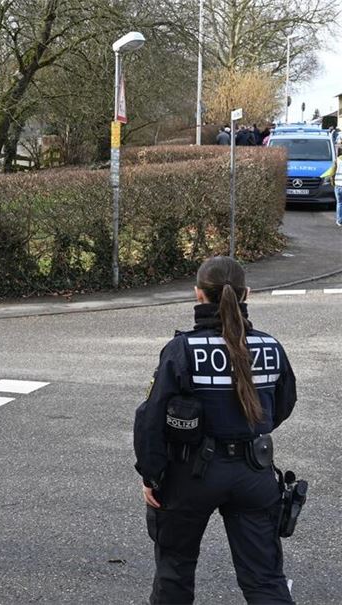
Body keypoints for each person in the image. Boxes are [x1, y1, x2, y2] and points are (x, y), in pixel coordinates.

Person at [133, 256, 297, 604]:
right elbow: (282, 405)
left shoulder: (181, 350)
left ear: (198, 295)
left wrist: (151, 476)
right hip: (255, 472)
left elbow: (151, 419)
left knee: (174, 573)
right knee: (265, 580)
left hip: (191, 474)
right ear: (246, 294)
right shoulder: (271, 347)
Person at [334, 140, 342, 227]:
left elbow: (331, 171)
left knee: (339, 203)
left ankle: (339, 221)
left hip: (338, 185)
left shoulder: (337, 160)